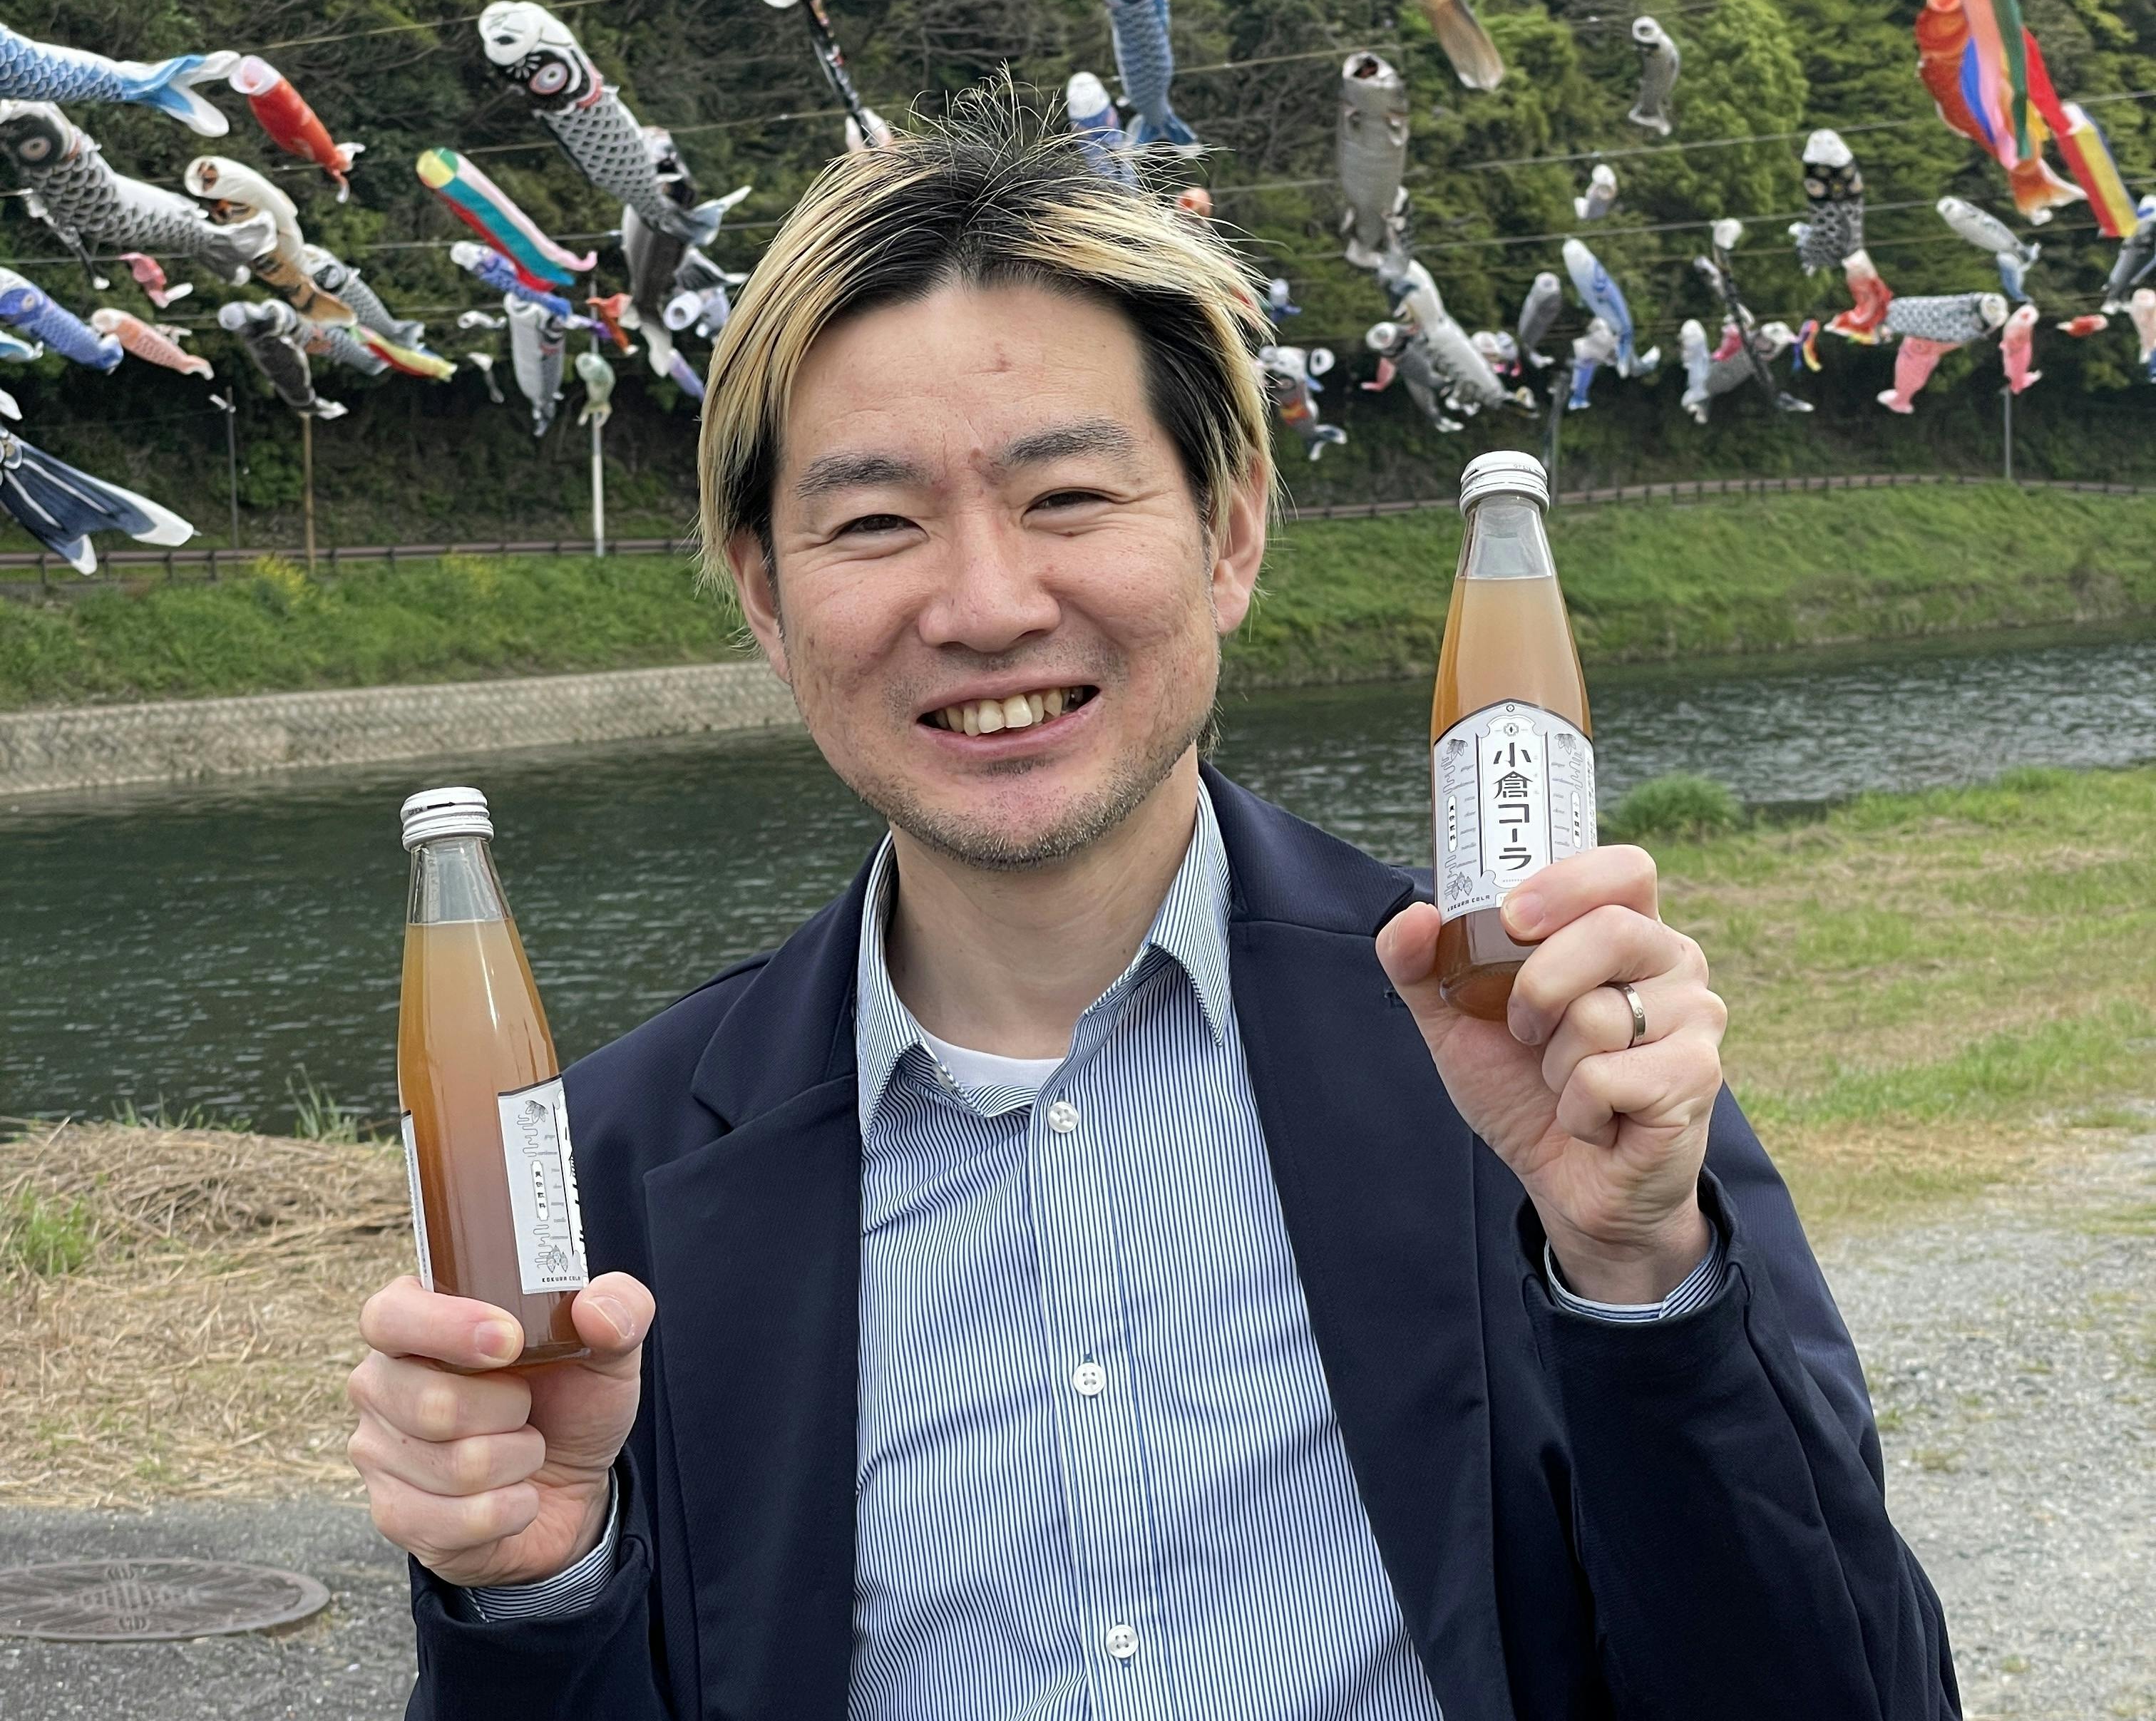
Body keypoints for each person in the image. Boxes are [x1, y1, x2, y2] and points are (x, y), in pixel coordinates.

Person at [349, 96, 1959, 1720]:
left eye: (1066, 498)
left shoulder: (1530, 1043)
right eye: (877, 523)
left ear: (1230, 533)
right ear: (768, 598)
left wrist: (1643, 1284)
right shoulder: (608, 1173)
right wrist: (533, 1595)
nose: (987, 605)